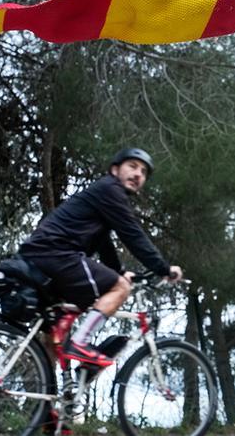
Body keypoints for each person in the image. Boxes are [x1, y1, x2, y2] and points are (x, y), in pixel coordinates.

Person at [17, 147, 182, 367]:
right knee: (121, 288)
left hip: (43, 255)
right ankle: (81, 343)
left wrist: (119, 271)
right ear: (115, 170)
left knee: (54, 338)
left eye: (143, 172)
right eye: (132, 166)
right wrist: (163, 268)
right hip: (56, 253)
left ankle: (47, 389)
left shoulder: (103, 197)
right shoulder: (110, 189)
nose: (138, 175)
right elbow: (133, 235)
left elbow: (104, 244)